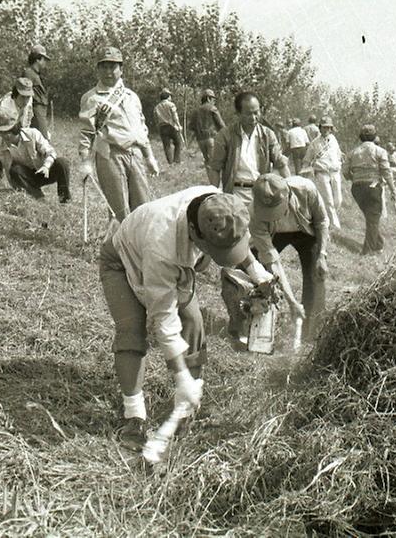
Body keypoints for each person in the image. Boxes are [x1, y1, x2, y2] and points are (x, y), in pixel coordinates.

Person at [99, 187, 274, 449]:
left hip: (172, 264)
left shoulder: (218, 204)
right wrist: (181, 377)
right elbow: (164, 321)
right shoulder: (163, 245)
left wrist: (257, 272)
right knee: (132, 331)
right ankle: (134, 417)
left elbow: (234, 236)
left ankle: (186, 409)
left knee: (193, 322)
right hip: (122, 262)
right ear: (195, 233)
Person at [223, 173, 327, 341]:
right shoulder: (254, 214)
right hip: (274, 235)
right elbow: (273, 261)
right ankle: (246, 327)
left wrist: (322, 254)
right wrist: (291, 301)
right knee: (250, 271)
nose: (272, 215)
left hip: (307, 233)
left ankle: (311, 336)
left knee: (316, 275)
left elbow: (322, 222)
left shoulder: (306, 189)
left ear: (288, 196)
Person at [78, 47, 159, 222]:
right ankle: (118, 247)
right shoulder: (91, 98)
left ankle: (140, 245)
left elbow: (142, 128)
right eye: (104, 67)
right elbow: (86, 133)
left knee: (143, 207)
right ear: (98, 69)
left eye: (113, 67)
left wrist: (149, 156)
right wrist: (85, 161)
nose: (108, 71)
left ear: (121, 70)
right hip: (110, 155)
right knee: (119, 210)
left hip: (135, 154)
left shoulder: (132, 97)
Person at [0, 100, 70, 202]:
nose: (3, 135)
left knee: (62, 162)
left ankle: (65, 201)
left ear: (15, 129)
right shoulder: (0, 145)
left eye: (6, 132)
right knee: (15, 170)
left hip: (44, 171)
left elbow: (51, 151)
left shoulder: (32, 134)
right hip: (25, 178)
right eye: (1, 132)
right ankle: (39, 198)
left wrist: (46, 166)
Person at [206, 91, 290, 206]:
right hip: (235, 194)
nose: (253, 118)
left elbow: (280, 163)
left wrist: (291, 188)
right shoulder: (225, 135)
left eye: (256, 113)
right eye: (248, 114)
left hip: (262, 193)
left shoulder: (268, 135)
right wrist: (215, 195)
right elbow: (215, 168)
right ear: (238, 114)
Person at [342, 124, 396, 255]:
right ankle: (368, 250)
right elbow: (386, 172)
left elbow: (345, 171)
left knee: (371, 218)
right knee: (373, 218)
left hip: (357, 188)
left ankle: (378, 244)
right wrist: (392, 188)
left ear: (361, 137)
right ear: (374, 136)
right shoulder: (380, 151)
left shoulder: (353, 152)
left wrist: (353, 178)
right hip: (373, 187)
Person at [302, 116, 342, 229]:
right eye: (324, 128)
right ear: (320, 128)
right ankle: (334, 225)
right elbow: (307, 159)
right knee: (328, 199)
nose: (327, 130)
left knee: (338, 200)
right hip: (322, 173)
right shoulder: (315, 143)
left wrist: (339, 162)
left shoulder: (334, 140)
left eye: (329, 127)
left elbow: (338, 153)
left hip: (335, 172)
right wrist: (305, 170)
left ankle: (328, 217)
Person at [22, 44, 51, 139]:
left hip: (40, 111)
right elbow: (24, 95)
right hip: (35, 111)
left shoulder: (36, 74)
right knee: (42, 139)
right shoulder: (29, 73)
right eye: (44, 59)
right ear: (37, 59)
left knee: (40, 140)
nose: (45, 62)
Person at [188, 89, 224, 165]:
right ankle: (214, 176)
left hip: (200, 140)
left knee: (207, 161)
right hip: (211, 138)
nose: (214, 101)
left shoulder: (196, 111)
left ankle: (210, 176)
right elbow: (221, 124)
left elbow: (191, 127)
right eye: (213, 99)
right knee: (214, 161)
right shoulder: (212, 108)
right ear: (208, 98)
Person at [153, 88, 183, 164]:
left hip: (162, 127)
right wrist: (178, 125)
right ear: (167, 96)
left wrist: (158, 127)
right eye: (170, 96)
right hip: (171, 126)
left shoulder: (157, 107)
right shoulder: (171, 105)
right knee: (178, 142)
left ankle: (170, 162)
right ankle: (177, 160)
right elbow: (175, 116)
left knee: (166, 145)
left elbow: (155, 119)